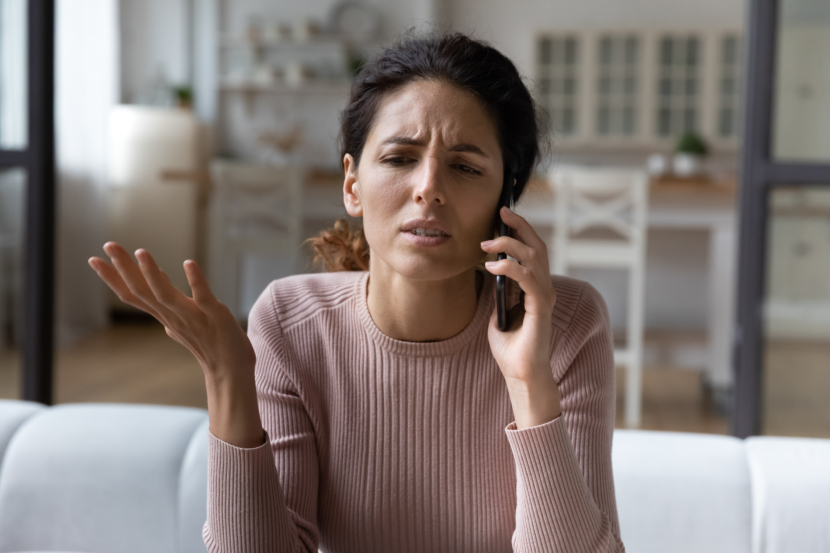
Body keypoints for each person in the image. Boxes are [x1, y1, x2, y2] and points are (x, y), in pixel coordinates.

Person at [89, 32, 625, 553]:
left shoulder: (565, 321)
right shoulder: (288, 321)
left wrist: (530, 380)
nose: (428, 187)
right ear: (352, 185)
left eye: (465, 166)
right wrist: (229, 378)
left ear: (505, 196)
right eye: (399, 158)